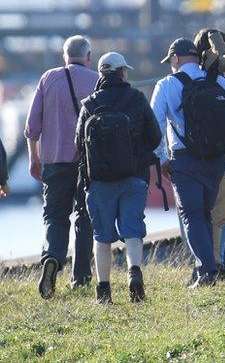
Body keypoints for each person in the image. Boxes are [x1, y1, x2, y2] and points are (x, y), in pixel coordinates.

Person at [152, 38, 225, 288]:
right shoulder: (220, 81)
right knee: (204, 212)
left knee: (191, 214)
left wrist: (162, 159)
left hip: (184, 160)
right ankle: (207, 265)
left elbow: (154, 127)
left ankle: (206, 271)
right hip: (216, 161)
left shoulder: (167, 85)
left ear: (175, 59)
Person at [75, 52, 161, 304]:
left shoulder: (89, 104)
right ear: (122, 72)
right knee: (133, 229)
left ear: (101, 73)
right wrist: (138, 155)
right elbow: (154, 136)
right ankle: (134, 273)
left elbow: (78, 143)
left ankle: (103, 291)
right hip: (134, 176)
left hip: (99, 181)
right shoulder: (136, 98)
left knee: (102, 236)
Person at [26, 35, 98, 299]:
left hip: (54, 162)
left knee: (55, 216)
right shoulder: (96, 80)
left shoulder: (48, 79)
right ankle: (80, 277)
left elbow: (32, 127)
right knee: (84, 217)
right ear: (88, 56)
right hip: (88, 163)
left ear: (64, 55)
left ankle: (52, 258)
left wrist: (34, 158)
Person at [192, 28, 225, 278]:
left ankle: (204, 262)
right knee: (220, 214)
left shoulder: (187, 79)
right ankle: (215, 263)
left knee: (199, 214)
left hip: (192, 157)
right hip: (219, 156)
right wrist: (216, 41)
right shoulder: (219, 81)